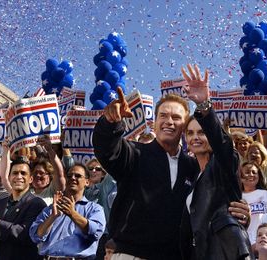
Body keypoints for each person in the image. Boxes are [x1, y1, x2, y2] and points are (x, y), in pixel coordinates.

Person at [92, 63, 250, 259]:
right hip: (131, 254)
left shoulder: (194, 169)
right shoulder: (133, 154)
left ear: (182, 127)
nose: (169, 121)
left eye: (176, 117)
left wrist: (239, 212)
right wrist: (110, 123)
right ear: (154, 123)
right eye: (163, 116)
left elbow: (216, 194)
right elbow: (106, 149)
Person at [179, 63, 252, 259]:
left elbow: (223, 144)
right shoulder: (192, 176)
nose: (196, 137)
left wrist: (204, 106)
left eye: (202, 132)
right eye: (190, 133)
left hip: (226, 251)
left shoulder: (224, 163)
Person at [29, 163, 106, 259]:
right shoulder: (51, 208)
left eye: (78, 176)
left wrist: (72, 213)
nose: (73, 178)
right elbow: (35, 236)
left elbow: (95, 232)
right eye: (69, 176)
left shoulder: (94, 209)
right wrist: (52, 217)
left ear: (87, 182)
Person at [0, 156, 47, 260]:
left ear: (31, 179)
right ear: (9, 177)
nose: (19, 176)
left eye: (23, 173)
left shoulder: (37, 204)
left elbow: (25, 234)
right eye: (15, 173)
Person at [240, 161, 267, 245]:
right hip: (241, 239)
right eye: (247, 172)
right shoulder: (236, 196)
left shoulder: (266, 194)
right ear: (240, 177)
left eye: (254, 172)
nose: (251, 175)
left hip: (261, 240)